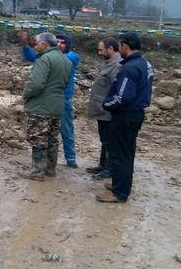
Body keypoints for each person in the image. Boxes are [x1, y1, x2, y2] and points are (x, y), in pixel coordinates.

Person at [96, 32, 154, 203]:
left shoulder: (129, 68)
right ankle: (121, 185)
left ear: (125, 46)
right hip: (136, 113)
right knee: (128, 152)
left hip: (125, 115)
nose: (119, 49)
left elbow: (122, 97)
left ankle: (119, 193)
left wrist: (107, 105)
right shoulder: (145, 64)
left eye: (120, 46)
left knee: (119, 154)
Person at [19, 32, 72, 181]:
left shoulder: (44, 59)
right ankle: (50, 169)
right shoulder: (66, 60)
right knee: (52, 138)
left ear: (44, 44)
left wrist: (26, 95)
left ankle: (37, 172)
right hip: (57, 105)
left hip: (42, 106)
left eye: (36, 43)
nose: (34, 46)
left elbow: (36, 84)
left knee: (38, 138)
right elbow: (65, 83)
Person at [86, 37, 122, 180]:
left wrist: (110, 105)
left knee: (109, 140)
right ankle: (103, 165)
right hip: (102, 109)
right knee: (104, 138)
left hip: (108, 110)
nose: (99, 52)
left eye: (101, 49)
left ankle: (109, 169)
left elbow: (117, 89)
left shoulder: (117, 65)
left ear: (111, 49)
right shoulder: (109, 63)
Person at [55, 34, 80, 168]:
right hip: (50, 98)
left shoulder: (73, 57)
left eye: (62, 43)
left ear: (68, 45)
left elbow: (59, 61)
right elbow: (33, 58)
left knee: (66, 129)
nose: (59, 44)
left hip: (64, 98)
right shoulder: (50, 56)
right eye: (57, 42)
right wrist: (26, 47)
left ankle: (71, 158)